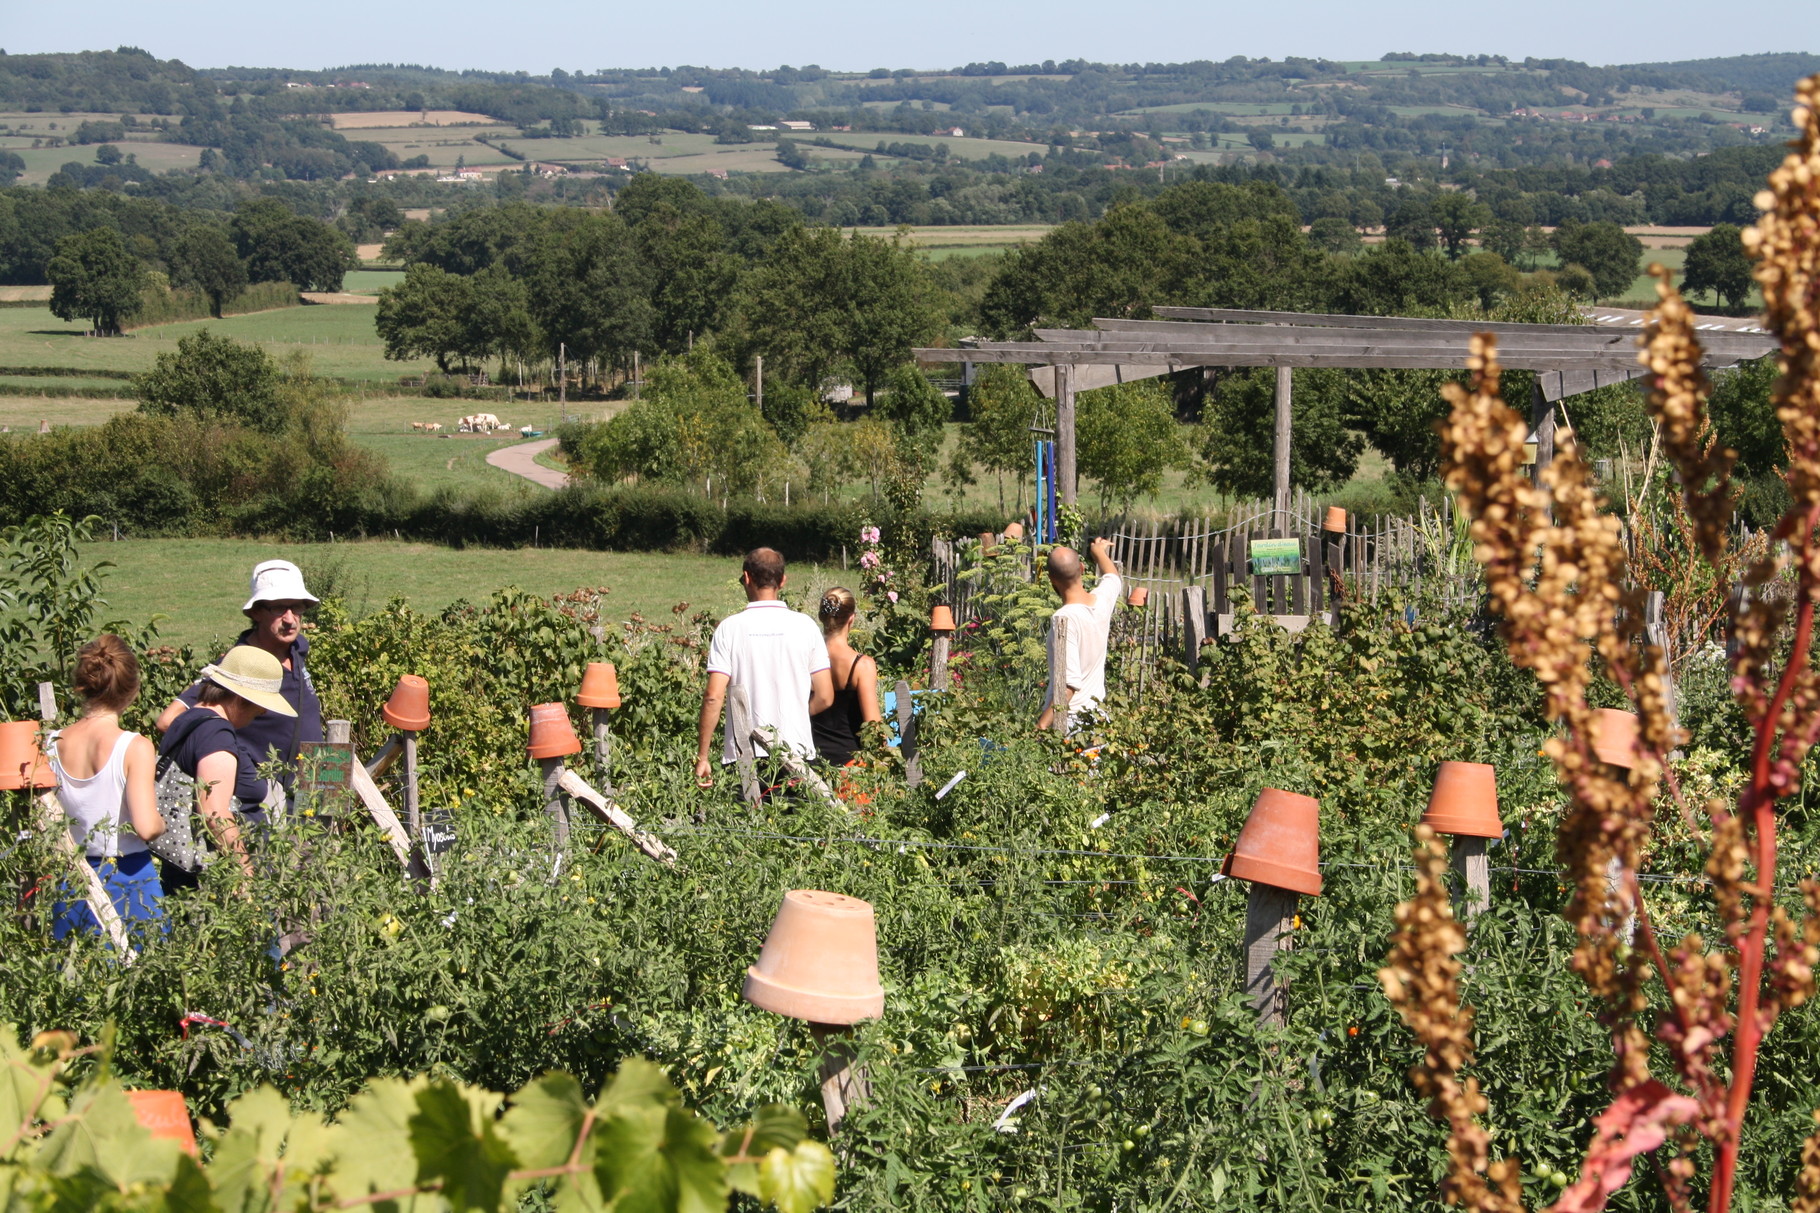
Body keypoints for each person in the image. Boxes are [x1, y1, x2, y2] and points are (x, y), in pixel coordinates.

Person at [157, 560, 324, 787]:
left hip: (314, 787)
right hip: (268, 797)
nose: (289, 618)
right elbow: (169, 720)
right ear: (256, 612)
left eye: (297, 607)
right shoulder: (236, 667)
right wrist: (236, 759)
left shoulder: (297, 650)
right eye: (278, 608)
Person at [46, 635, 165, 940]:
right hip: (128, 878)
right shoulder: (134, 747)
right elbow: (146, 827)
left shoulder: (51, 743)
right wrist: (163, 821)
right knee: (144, 977)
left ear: (82, 686)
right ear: (132, 690)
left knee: (77, 975)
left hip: (73, 878)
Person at [158, 646, 297, 886]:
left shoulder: (188, 718)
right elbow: (214, 813)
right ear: (241, 698)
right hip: (216, 877)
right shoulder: (216, 734)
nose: (262, 710)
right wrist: (244, 873)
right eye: (259, 703)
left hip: (184, 871)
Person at [695, 548, 834, 784]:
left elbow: (713, 697)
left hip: (744, 753)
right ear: (783, 581)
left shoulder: (729, 629)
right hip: (796, 751)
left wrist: (703, 756)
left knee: (746, 819)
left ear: (747, 578)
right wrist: (795, 712)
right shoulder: (806, 627)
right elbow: (825, 696)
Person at [1036, 537, 1122, 732]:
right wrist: (1099, 552)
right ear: (1082, 569)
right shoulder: (1101, 603)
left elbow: (1069, 686)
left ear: (1051, 579)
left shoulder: (1064, 619)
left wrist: (1041, 725)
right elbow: (1113, 577)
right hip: (1097, 716)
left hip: (1070, 722)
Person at [809, 587, 883, 770]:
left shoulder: (806, 658)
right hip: (850, 765)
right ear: (852, 618)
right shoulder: (862, 665)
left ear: (821, 617)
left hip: (811, 762)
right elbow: (873, 726)